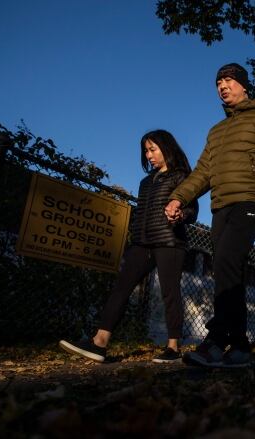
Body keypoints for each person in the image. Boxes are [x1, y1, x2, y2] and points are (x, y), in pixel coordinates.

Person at [165, 62, 255, 368]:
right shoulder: (217, 131)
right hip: (220, 205)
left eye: (228, 80)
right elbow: (202, 172)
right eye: (218, 83)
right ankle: (239, 346)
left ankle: (215, 340)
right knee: (227, 269)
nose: (223, 86)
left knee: (226, 260)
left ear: (243, 85)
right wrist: (179, 196)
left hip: (253, 199)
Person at [60, 129, 196, 363]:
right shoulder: (146, 182)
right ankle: (99, 342)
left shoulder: (181, 176)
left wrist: (180, 215)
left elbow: (192, 211)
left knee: (169, 292)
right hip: (142, 242)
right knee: (122, 287)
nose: (149, 155)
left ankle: (173, 347)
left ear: (167, 148)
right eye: (146, 150)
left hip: (169, 241)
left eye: (153, 149)